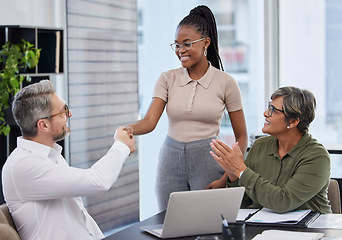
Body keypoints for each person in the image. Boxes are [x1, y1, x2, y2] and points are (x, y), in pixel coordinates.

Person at [125, 5, 248, 210]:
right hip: (170, 160)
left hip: (208, 160)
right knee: (169, 221)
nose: (180, 50)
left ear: (206, 43)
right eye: (176, 45)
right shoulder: (167, 78)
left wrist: (227, 177)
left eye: (187, 44)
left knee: (207, 223)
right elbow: (149, 121)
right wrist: (128, 129)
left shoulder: (226, 82)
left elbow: (242, 137)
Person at [1, 80, 136, 240]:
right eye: (63, 111)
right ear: (43, 125)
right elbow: (98, 182)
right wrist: (121, 146)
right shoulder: (24, 165)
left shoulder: (51, 155)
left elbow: (81, 218)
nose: (69, 114)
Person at [210, 86, 331, 214]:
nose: (266, 113)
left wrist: (241, 170)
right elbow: (244, 202)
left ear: (293, 121)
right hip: (266, 228)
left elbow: (282, 202)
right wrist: (234, 175)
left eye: (273, 110)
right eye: (269, 107)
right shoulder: (260, 146)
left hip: (312, 230)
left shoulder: (317, 157)